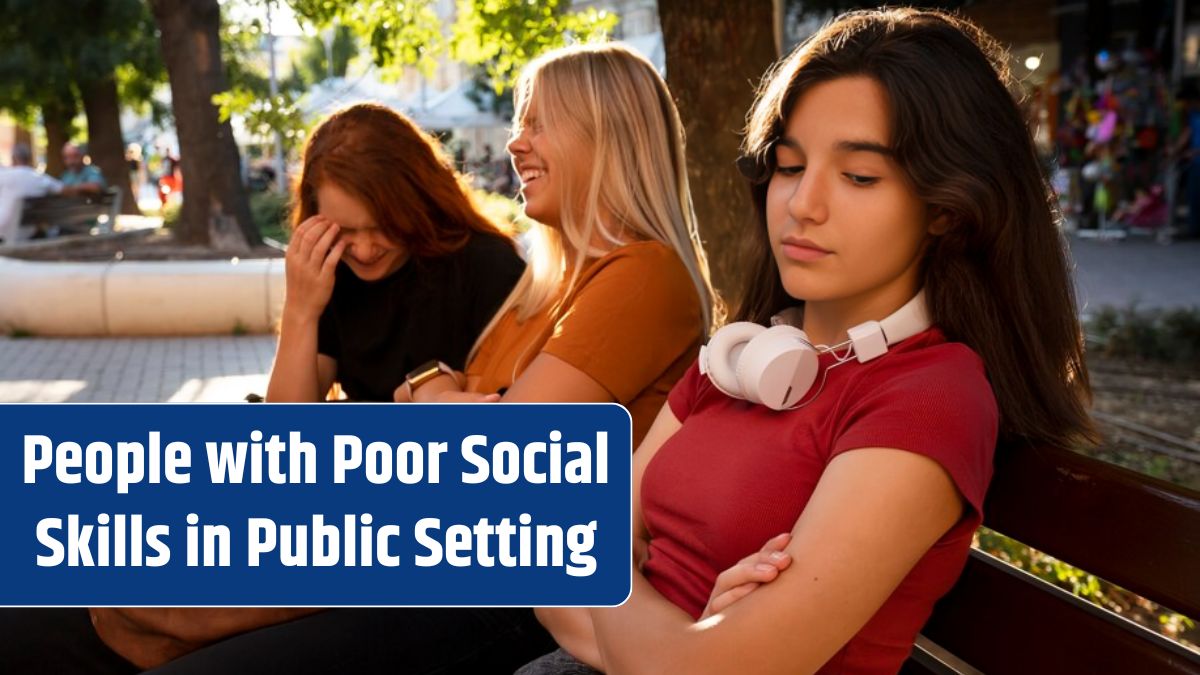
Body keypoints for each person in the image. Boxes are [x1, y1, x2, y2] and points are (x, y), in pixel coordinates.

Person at [525, 9, 1096, 674]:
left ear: (945, 207)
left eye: (858, 176)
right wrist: (676, 632)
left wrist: (613, 582)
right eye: (789, 165)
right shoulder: (742, 355)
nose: (802, 203)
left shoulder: (930, 397)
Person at [399, 42, 719, 448]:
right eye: (520, 125)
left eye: (539, 124)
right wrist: (434, 389)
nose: (514, 144)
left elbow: (501, 449)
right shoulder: (543, 288)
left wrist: (428, 392)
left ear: (607, 137)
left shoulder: (645, 274)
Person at [266, 103, 525, 403]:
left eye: (384, 226)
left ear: (418, 201)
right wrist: (300, 310)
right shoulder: (330, 272)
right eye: (345, 230)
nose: (363, 251)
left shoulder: (487, 265)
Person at [0, 143, 62, 244]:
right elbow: (63, 189)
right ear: (29, 158)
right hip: (30, 234)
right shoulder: (39, 178)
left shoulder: (4, 175)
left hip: (4, 234)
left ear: (13, 158)